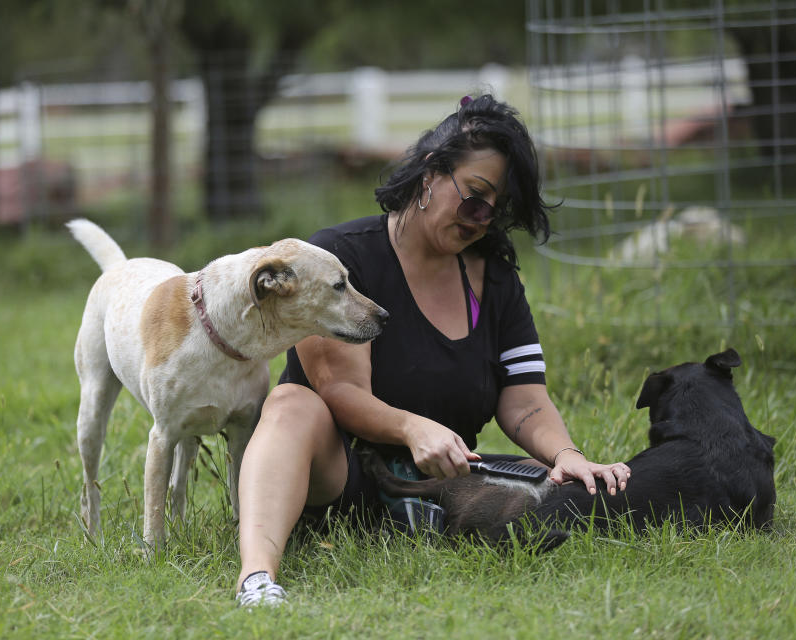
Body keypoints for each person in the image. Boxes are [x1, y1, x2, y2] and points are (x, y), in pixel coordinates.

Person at [233, 94, 631, 607]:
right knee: (295, 401)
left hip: (444, 489)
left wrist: (568, 455)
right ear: (430, 174)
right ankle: (257, 579)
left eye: (496, 209)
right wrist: (411, 427)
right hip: (342, 480)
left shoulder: (496, 278)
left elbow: (524, 398)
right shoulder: (338, 259)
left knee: (584, 498)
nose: (482, 218)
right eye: (474, 197)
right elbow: (340, 390)